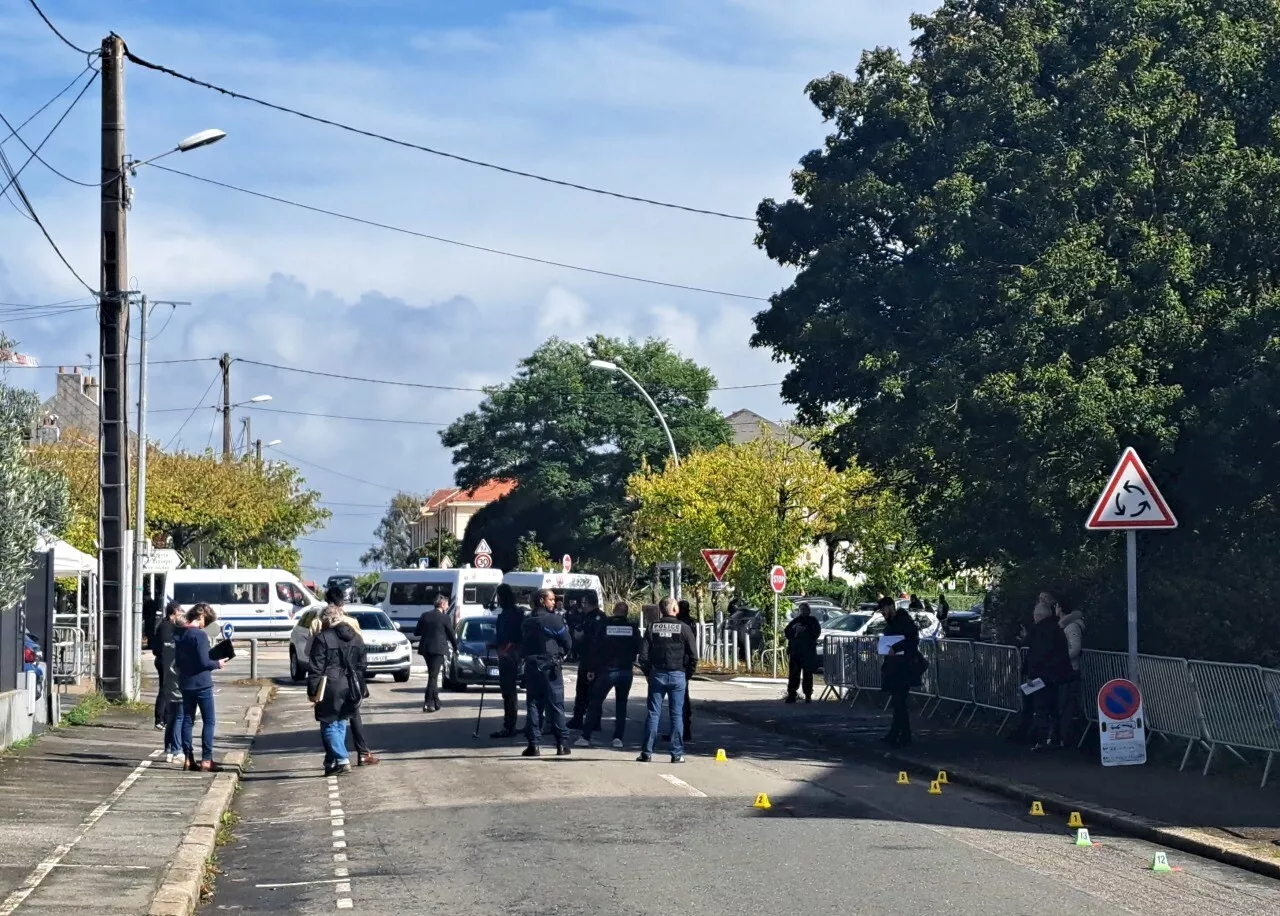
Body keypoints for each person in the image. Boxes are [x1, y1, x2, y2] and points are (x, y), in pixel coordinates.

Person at [314, 587, 379, 766]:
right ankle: (362, 752)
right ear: (342, 602)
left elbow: (312, 654)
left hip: (329, 679)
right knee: (351, 715)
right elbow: (360, 651)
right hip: (351, 679)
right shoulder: (352, 623)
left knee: (327, 719)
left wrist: (313, 687)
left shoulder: (317, 622)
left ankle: (333, 759)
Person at [308, 605, 368, 775]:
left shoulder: (322, 639)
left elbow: (316, 669)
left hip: (330, 685)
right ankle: (335, 760)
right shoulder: (356, 637)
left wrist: (313, 693)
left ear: (326, 620)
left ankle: (341, 759)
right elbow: (363, 663)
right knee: (341, 721)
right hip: (352, 684)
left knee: (328, 723)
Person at [637, 597, 697, 764]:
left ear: (660, 610)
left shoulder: (652, 627)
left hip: (657, 674)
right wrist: (687, 675)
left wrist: (649, 673)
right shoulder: (684, 628)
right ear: (675, 609)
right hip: (678, 674)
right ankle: (677, 754)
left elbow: (643, 656)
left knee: (653, 713)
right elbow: (694, 656)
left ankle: (646, 752)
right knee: (677, 715)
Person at [577, 601, 640, 748]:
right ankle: (618, 738)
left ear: (614, 611)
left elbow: (595, 648)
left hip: (606, 671)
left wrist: (591, 669)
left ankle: (586, 736)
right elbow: (638, 647)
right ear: (627, 613)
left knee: (595, 703)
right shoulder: (632, 628)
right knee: (621, 705)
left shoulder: (604, 626)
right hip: (625, 671)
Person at [174, 603, 228, 771]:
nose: (207, 625)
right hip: (202, 684)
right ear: (201, 617)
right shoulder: (200, 635)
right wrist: (217, 663)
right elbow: (205, 662)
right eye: (207, 620)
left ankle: (188, 759)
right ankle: (206, 760)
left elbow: (178, 661)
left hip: (185, 682)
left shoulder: (180, 633)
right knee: (209, 721)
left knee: (187, 720)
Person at [520, 589, 572, 757]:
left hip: (532, 666)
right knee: (556, 705)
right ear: (542, 600)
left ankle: (534, 745)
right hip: (550, 667)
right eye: (551, 599)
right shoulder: (554, 620)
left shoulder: (527, 621)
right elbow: (567, 642)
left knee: (534, 705)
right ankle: (561, 744)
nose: (554, 602)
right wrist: (562, 652)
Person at [1026, 598, 1073, 750]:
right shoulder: (1057, 629)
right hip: (1058, 676)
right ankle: (1056, 739)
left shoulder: (1039, 632)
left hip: (1042, 676)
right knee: (1055, 708)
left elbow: (1036, 656)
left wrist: (1030, 675)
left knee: (1041, 708)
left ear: (1037, 616)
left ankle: (1041, 740)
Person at [879, 596, 921, 749]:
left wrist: (896, 648)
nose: (883, 613)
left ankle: (904, 736)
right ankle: (897, 734)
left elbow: (913, 640)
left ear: (890, 607)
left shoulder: (904, 621)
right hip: (894, 667)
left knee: (900, 702)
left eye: (884, 609)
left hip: (904, 667)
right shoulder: (891, 623)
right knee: (898, 703)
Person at [489, 584, 525, 739]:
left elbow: (513, 637)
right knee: (509, 692)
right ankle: (510, 724)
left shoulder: (509, 615)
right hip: (509, 654)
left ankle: (509, 725)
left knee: (508, 692)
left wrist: (503, 650)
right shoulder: (513, 613)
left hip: (509, 655)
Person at [568, 593, 606, 730]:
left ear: (588, 603)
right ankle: (583, 719)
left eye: (583, 603)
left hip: (591, 659)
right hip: (591, 659)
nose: (582, 606)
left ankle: (590, 721)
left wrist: (579, 637)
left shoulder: (596, 618)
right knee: (585, 691)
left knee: (588, 691)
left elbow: (593, 640)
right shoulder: (593, 617)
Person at [415, 594, 457, 713]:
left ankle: (436, 701)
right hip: (438, 649)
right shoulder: (445, 618)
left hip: (426, 649)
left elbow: (417, 631)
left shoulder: (425, 615)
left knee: (432, 675)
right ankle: (428, 703)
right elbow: (451, 635)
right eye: (447, 604)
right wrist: (456, 648)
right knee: (433, 677)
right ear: (442, 604)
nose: (448, 606)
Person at [156, 601, 186, 764]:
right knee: (177, 715)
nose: (181, 612)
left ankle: (170, 748)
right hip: (174, 678)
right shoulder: (167, 628)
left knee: (174, 715)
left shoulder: (166, 628)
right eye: (180, 610)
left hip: (169, 672)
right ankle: (176, 749)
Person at [1056, 599, 1086, 745]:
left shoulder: (1071, 627)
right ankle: (1061, 736)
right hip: (1065, 668)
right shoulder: (1064, 626)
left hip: (1070, 669)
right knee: (1064, 703)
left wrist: (1058, 657)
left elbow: (1075, 648)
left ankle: (1065, 737)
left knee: (1067, 704)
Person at [784, 602, 822, 703]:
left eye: (805, 609)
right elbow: (787, 632)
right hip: (795, 652)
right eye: (801, 609)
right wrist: (795, 632)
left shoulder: (813, 621)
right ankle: (792, 694)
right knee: (794, 674)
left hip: (808, 652)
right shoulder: (795, 621)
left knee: (808, 674)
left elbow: (816, 633)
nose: (803, 611)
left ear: (809, 611)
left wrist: (805, 631)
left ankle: (808, 694)